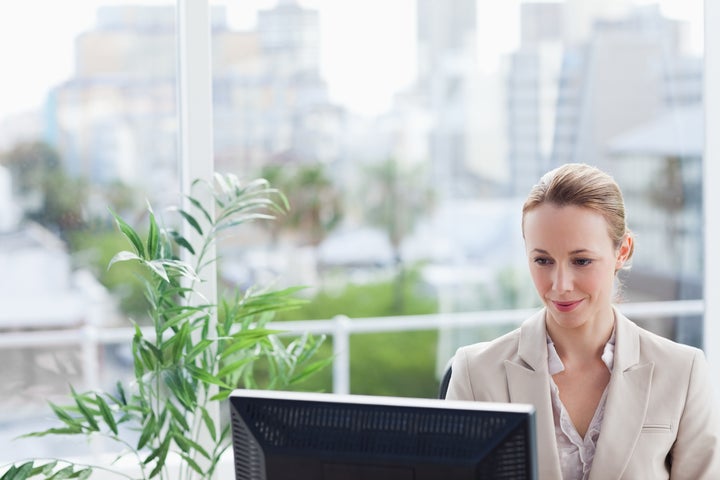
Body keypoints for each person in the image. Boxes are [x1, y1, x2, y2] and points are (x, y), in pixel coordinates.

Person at [445, 163, 720, 479]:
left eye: (581, 261)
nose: (560, 284)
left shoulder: (682, 373)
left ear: (622, 251)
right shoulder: (475, 373)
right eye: (543, 260)